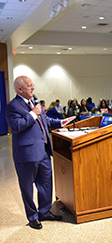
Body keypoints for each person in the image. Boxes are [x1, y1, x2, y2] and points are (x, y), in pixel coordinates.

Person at [5, 76, 75, 229]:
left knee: (46, 184)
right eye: (30, 86)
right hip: (26, 155)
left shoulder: (34, 103)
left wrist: (60, 122)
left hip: (43, 152)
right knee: (27, 188)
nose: (33, 88)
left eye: (32, 85)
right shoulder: (12, 106)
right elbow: (16, 127)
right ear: (20, 89)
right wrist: (33, 114)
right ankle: (32, 217)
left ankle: (44, 212)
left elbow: (46, 121)